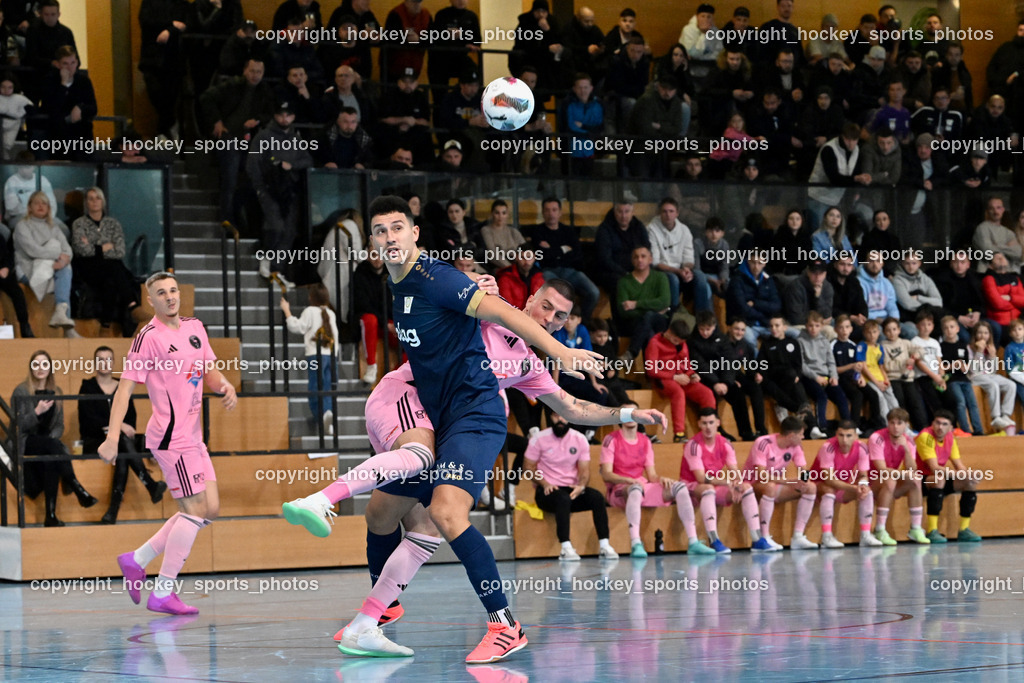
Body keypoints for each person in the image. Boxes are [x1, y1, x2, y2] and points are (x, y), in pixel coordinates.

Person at [308, 196, 601, 663]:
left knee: (445, 513)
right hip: (436, 411)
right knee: (382, 516)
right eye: (381, 231)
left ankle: (504, 624)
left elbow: (517, 331)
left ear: (415, 232)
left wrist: (572, 362)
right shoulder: (412, 285)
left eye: (398, 228)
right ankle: (375, 616)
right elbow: (487, 305)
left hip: (475, 414)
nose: (390, 238)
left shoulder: (447, 288)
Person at [104, 272, 238, 616]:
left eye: (173, 290)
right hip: (170, 438)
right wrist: (113, 436)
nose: (170, 296)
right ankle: (162, 591)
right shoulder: (147, 337)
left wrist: (225, 386)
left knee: (209, 510)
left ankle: (137, 559)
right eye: (161, 293)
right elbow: (124, 388)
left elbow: (209, 370)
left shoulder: (195, 327)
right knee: (193, 512)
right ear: (151, 300)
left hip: (194, 436)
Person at [602, 400, 715, 557]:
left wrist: (662, 479)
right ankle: (636, 543)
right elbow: (606, 474)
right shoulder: (611, 439)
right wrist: (628, 480)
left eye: (633, 413)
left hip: (641, 485)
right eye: (625, 414)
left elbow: (652, 476)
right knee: (635, 488)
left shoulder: (645, 441)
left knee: (679, 487)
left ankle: (693, 541)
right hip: (620, 490)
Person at [79, 345, 166, 524]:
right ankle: (149, 483)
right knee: (122, 443)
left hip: (120, 442)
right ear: (95, 363)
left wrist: (118, 430)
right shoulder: (87, 387)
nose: (105, 363)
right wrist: (117, 428)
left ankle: (113, 510)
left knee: (122, 447)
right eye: (100, 359)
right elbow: (88, 420)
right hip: (95, 440)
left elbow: (131, 419)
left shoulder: (123, 386)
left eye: (108, 359)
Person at [13, 349, 97, 527]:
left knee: (52, 458)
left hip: (48, 442)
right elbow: (18, 425)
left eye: (44, 364)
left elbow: (60, 426)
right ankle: (76, 486)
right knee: (54, 450)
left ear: (50, 368)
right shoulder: (21, 390)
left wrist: (51, 439)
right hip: (27, 440)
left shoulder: (56, 391)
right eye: (36, 364)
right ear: (31, 368)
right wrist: (37, 412)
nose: (40, 368)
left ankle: (50, 516)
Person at [526, 411, 618, 561]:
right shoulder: (539, 438)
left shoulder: (579, 439)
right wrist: (545, 483)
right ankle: (565, 547)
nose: (560, 419)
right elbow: (528, 469)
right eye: (556, 415)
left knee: (596, 497)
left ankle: (605, 544)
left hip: (571, 489)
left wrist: (581, 486)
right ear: (550, 417)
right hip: (546, 490)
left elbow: (584, 470)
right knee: (562, 499)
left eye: (563, 416)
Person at [680, 408, 775, 553]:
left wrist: (737, 484)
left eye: (711, 422)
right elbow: (701, 478)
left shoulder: (725, 443)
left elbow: (734, 471)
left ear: (718, 423)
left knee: (746, 488)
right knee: (708, 489)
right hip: (691, 486)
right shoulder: (693, 445)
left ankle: (757, 539)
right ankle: (714, 540)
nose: (708, 427)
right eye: (704, 423)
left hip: (714, 485)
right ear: (699, 424)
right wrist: (727, 482)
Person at [247, 100, 313, 286]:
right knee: (275, 226)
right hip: (268, 190)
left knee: (289, 231)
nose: (284, 118)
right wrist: (260, 188)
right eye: (281, 114)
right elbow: (253, 165)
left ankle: (277, 270)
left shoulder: (296, 139)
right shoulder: (263, 136)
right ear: (275, 115)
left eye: (288, 115)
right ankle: (266, 259)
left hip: (289, 191)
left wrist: (291, 166)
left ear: (293, 116)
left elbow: (308, 161)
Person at [70, 187, 140, 335]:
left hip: (108, 268)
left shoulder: (113, 224)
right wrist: (106, 247)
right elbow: (81, 250)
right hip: (88, 268)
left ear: (103, 201)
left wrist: (93, 247)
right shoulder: (79, 224)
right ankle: (133, 306)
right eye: (91, 198)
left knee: (111, 277)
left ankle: (106, 325)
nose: (95, 202)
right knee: (115, 267)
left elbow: (120, 251)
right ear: (86, 203)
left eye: (98, 198)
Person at [743, 417, 818, 550]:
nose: (803, 437)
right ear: (791, 436)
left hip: (775, 484)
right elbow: (762, 475)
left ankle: (798, 536)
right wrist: (790, 481)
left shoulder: (796, 446)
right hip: (752, 484)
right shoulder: (763, 443)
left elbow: (804, 470)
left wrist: (803, 481)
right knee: (770, 487)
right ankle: (764, 537)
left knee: (810, 488)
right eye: (801, 434)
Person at [809, 420, 884, 548]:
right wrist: (854, 487)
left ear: (856, 436)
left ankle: (865, 534)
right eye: (841, 435)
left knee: (867, 491)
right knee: (829, 489)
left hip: (842, 485)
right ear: (836, 435)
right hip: (818, 485)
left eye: (849, 436)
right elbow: (828, 479)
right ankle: (826, 536)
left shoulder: (862, 447)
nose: (844, 440)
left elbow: (863, 474)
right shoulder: (828, 447)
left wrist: (863, 485)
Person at [13, 190, 76, 335]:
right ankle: (68, 327)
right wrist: (58, 255)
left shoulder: (54, 227)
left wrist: (64, 259)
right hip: (28, 271)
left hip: (52, 270)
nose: (41, 206)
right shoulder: (22, 226)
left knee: (66, 268)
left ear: (49, 208)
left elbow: (68, 250)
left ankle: (62, 314)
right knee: (62, 266)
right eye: (37, 203)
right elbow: (33, 251)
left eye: (44, 203)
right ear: (29, 207)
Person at [525, 197, 598, 321]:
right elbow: (542, 256)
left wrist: (551, 250)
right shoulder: (538, 231)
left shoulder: (568, 231)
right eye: (547, 210)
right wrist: (563, 249)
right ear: (543, 213)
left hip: (570, 270)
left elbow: (577, 255)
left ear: (560, 212)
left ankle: (581, 323)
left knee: (593, 292)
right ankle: (553, 323)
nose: (551, 213)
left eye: (554, 210)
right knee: (551, 293)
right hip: (547, 270)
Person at [915, 410, 982, 543]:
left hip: (939, 478)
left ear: (951, 428)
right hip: (918, 479)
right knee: (939, 478)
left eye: (944, 424)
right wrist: (958, 474)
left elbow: (959, 465)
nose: (940, 427)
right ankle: (932, 530)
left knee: (970, 482)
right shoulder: (925, 436)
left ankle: (964, 529)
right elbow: (934, 468)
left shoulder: (950, 438)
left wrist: (968, 474)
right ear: (932, 424)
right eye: (937, 423)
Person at [280, 283, 339, 434]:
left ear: (311, 297)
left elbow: (297, 327)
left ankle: (320, 415)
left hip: (315, 355)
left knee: (314, 388)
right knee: (327, 388)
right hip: (331, 356)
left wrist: (287, 311)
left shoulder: (310, 311)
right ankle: (328, 413)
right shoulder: (331, 313)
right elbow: (336, 337)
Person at [646, 318, 715, 443]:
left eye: (681, 341)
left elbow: (687, 364)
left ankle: (710, 429)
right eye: (675, 340)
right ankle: (679, 433)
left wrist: (692, 374)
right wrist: (673, 376)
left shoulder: (682, 343)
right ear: (669, 332)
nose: (678, 344)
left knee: (707, 393)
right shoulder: (655, 343)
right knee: (678, 393)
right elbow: (651, 370)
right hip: (663, 378)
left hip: (681, 377)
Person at [868, 408, 930, 545]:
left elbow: (912, 469)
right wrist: (903, 474)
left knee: (916, 479)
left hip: (891, 482)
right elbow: (881, 470)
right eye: (892, 423)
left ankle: (915, 528)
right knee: (890, 480)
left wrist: (906, 450)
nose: (895, 427)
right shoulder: (876, 438)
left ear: (906, 425)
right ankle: (879, 529)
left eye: (899, 423)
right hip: (871, 483)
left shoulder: (909, 441)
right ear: (887, 423)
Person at [647, 197, 710, 313]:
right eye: (664, 211)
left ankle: (703, 318)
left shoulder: (684, 230)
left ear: (677, 213)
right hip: (662, 272)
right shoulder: (651, 229)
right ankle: (673, 316)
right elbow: (655, 262)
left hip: (680, 270)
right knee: (673, 279)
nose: (668, 215)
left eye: (671, 211)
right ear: (659, 213)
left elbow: (688, 257)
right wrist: (678, 271)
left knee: (700, 276)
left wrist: (686, 269)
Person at [137, 0, 189, 141]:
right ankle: (170, 125)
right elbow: (146, 21)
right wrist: (171, 25)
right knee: (155, 93)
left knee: (171, 97)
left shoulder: (182, 3)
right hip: (151, 57)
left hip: (174, 59)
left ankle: (163, 131)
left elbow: (185, 23)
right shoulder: (149, 2)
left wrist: (169, 30)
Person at [36, 46, 97, 161]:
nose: (70, 67)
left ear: (77, 62)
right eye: (65, 64)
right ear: (58, 64)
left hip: (82, 135)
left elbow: (93, 108)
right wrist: (63, 85)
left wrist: (80, 107)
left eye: (73, 63)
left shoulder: (84, 81)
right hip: (58, 135)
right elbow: (49, 108)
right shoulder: (49, 81)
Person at [798, 311, 849, 438]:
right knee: (822, 396)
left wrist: (834, 377)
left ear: (821, 326)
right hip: (810, 376)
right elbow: (801, 364)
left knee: (841, 395)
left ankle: (847, 426)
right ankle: (822, 427)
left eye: (816, 325)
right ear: (806, 325)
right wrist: (816, 377)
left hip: (826, 376)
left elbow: (831, 361)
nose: (813, 329)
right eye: (810, 325)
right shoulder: (800, 340)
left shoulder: (825, 341)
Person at [832, 314, 883, 432]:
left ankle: (875, 424)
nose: (844, 330)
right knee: (857, 395)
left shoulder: (853, 345)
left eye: (847, 327)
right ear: (835, 329)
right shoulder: (833, 345)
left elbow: (858, 367)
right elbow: (833, 369)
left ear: (851, 329)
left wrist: (860, 377)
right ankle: (854, 427)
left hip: (853, 377)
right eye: (841, 327)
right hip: (840, 378)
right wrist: (851, 366)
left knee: (873, 394)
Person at [618, 246, 670, 361]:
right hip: (634, 322)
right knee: (648, 330)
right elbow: (623, 312)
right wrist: (653, 308)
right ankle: (652, 375)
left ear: (650, 259)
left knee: (649, 317)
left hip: (659, 321)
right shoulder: (624, 282)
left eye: (643, 256)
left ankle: (631, 352)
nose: (640, 260)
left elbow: (665, 301)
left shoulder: (661, 277)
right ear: (632, 261)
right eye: (636, 257)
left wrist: (635, 304)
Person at [967, 321, 1017, 435]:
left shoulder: (990, 347)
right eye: (979, 333)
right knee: (993, 385)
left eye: (986, 333)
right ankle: (996, 417)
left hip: (988, 375)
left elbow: (992, 371)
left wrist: (993, 356)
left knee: (1011, 385)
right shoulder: (969, 348)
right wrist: (979, 352)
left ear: (989, 335)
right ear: (975, 335)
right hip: (975, 376)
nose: (983, 336)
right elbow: (973, 370)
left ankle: (1005, 414)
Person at [939, 315, 985, 435]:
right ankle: (966, 430)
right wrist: (953, 365)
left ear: (957, 329)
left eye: (952, 327)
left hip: (964, 379)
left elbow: (966, 367)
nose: (949, 330)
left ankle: (978, 430)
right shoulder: (941, 347)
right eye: (946, 328)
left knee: (973, 404)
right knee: (960, 402)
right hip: (951, 380)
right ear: (943, 330)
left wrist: (965, 367)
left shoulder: (963, 346)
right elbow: (940, 367)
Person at [856, 319, 898, 419]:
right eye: (869, 332)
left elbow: (881, 366)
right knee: (881, 399)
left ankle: (902, 425)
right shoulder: (862, 346)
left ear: (879, 332)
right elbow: (863, 367)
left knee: (893, 400)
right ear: (864, 333)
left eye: (874, 332)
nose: (872, 335)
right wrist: (876, 383)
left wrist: (886, 379)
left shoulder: (880, 347)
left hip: (881, 378)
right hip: (869, 379)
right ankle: (887, 425)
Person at [4, 154, 57, 229]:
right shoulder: (12, 181)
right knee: (33, 227)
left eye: (28, 167)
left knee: (64, 229)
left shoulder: (43, 180)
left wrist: (49, 217)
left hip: (44, 216)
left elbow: (52, 203)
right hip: (21, 217)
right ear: (17, 167)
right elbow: (12, 209)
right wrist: (34, 215)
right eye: (22, 167)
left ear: (34, 167)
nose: (24, 170)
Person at [0, 220, 31, 336]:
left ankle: (25, 326)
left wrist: (6, 267)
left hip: (2, 272)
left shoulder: (1, 236)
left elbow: (9, 256)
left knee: (17, 292)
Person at [479, 200, 526, 271]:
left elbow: (526, 250)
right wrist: (511, 268)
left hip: (518, 265)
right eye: (497, 213)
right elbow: (492, 254)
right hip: (499, 267)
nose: (500, 216)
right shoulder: (486, 230)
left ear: (507, 215)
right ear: (492, 214)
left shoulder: (513, 231)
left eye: (504, 213)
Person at [0, 73, 31, 160]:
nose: (6, 90)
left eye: (9, 87)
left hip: (13, 125)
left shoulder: (19, 98)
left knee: (6, 149)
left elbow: (31, 109)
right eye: (3, 87)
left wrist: (19, 113)